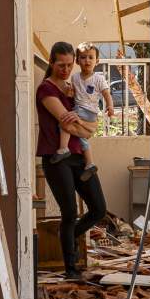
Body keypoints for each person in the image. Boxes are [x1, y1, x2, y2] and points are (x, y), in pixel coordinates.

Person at [36, 41, 107, 279]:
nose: (65, 70)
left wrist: (85, 127)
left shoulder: (72, 87)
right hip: (57, 157)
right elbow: (69, 123)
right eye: (60, 65)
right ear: (52, 63)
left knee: (98, 208)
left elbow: (86, 129)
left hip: (78, 156)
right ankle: (70, 267)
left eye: (69, 65)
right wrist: (86, 128)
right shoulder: (46, 90)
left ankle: (67, 237)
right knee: (69, 212)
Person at [50, 42, 114, 182]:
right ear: (77, 61)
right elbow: (74, 94)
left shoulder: (99, 78)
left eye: (91, 57)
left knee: (64, 123)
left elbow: (106, 93)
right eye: (83, 57)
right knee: (82, 140)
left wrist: (110, 106)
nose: (87, 61)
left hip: (88, 111)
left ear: (97, 61)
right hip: (79, 108)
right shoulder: (75, 78)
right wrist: (69, 93)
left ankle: (63, 148)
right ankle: (90, 164)